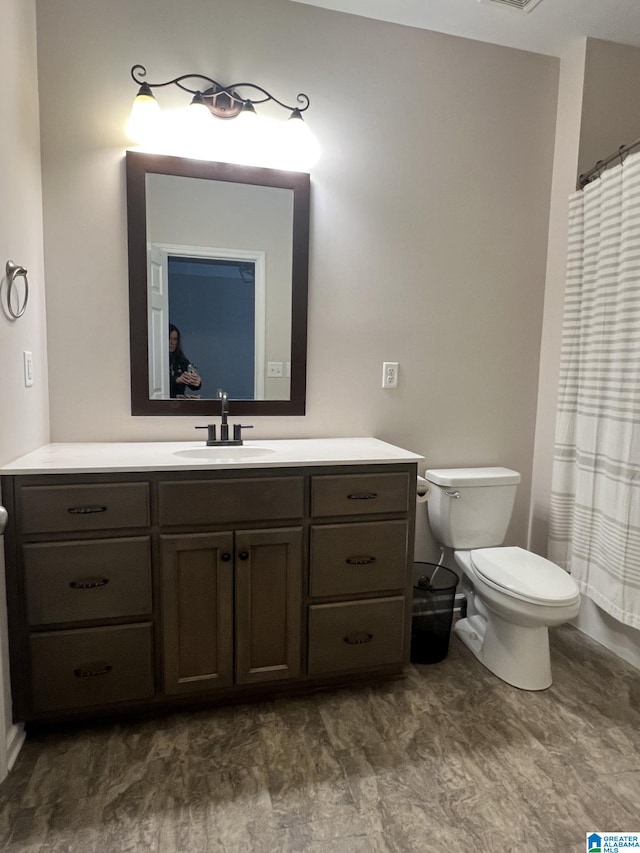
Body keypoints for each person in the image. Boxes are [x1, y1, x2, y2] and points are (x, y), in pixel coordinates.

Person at [168, 324, 202, 398]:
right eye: (169, 338)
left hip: (178, 402)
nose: (172, 342)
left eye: (175, 339)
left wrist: (195, 381)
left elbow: (193, 385)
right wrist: (177, 380)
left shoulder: (180, 359)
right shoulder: (157, 360)